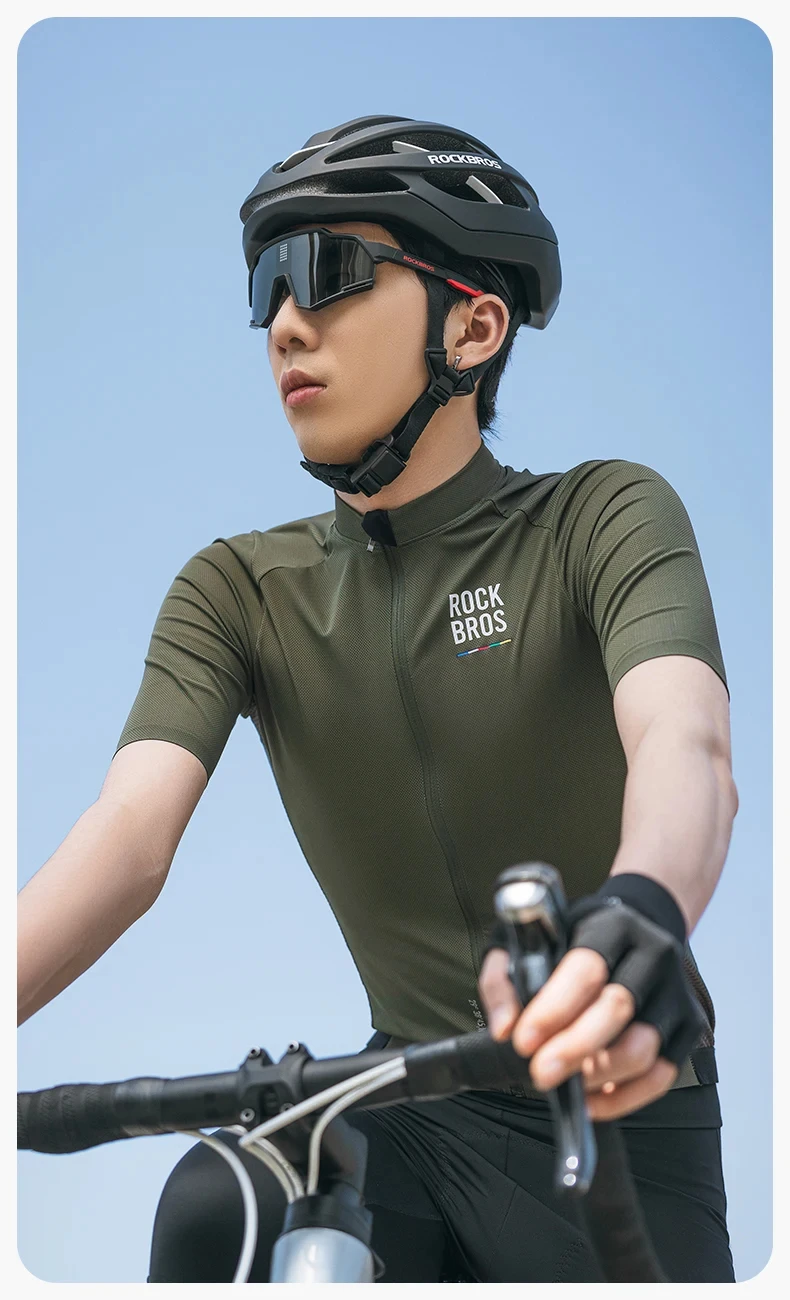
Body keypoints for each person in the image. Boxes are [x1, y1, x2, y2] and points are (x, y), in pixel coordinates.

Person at [17, 115, 738, 1283]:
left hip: (619, 1115)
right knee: (220, 1204)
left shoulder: (601, 517)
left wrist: (645, 903)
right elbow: (127, 836)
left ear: (473, 325)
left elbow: (683, 741)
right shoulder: (238, 589)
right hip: (406, 1107)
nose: (284, 322)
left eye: (330, 271)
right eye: (266, 284)